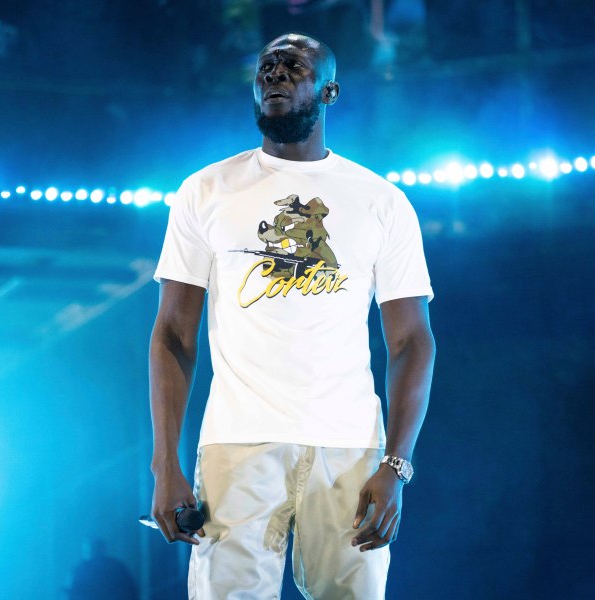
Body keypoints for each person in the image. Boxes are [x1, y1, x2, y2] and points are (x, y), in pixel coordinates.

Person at [149, 32, 435, 599]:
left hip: (350, 448)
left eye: (293, 66)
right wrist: (165, 464)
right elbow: (173, 335)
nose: (275, 74)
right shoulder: (204, 191)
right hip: (237, 443)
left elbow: (412, 343)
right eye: (267, 66)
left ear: (328, 90)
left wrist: (395, 464)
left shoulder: (381, 201)